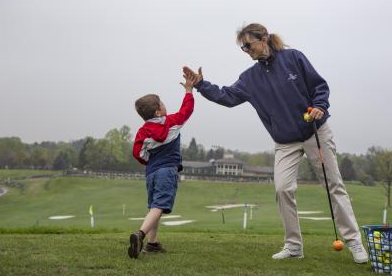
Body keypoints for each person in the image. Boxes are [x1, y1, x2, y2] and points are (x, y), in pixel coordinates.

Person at [183, 23, 368, 263]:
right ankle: (293, 246)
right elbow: (226, 96)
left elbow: (319, 86)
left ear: (265, 38)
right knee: (282, 189)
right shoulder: (250, 78)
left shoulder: (293, 58)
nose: (247, 50)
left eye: (249, 45)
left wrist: (320, 106)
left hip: (315, 132)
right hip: (285, 142)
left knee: (334, 185)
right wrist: (200, 84)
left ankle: (354, 242)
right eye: (243, 48)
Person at [128, 75, 196, 259]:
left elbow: (137, 153)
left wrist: (147, 160)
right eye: (162, 103)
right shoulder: (171, 121)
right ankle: (140, 235)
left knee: (154, 207)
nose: (165, 106)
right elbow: (186, 110)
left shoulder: (142, 131)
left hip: (151, 172)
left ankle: (152, 243)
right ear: (158, 112)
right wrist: (189, 91)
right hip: (167, 171)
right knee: (159, 206)